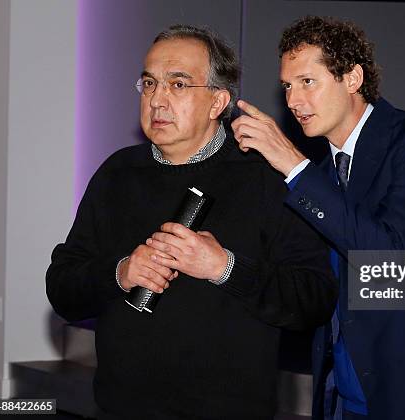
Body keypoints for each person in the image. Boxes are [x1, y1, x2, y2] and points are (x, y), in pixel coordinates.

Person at [46, 24, 337, 420]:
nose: (157, 100)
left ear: (218, 102)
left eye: (178, 85)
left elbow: (314, 299)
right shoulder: (117, 173)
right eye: (149, 84)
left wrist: (224, 268)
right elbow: (62, 288)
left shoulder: (266, 177)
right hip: (120, 407)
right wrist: (121, 272)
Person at [232, 16, 405, 420]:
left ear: (353, 78)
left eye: (308, 82)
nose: (292, 101)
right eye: (287, 86)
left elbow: (388, 255)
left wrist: (293, 164)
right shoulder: (320, 175)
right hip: (344, 394)